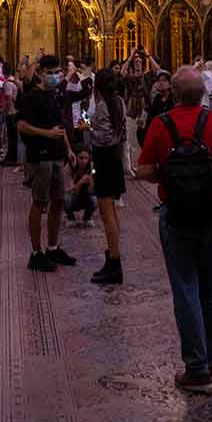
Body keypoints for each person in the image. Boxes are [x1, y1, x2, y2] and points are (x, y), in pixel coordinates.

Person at [137, 66, 212, 393]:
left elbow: (143, 170)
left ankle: (197, 370)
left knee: (185, 290)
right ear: (204, 93)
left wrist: (169, 178)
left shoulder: (161, 124)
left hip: (177, 216)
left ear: (172, 92)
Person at [17, 55, 77, 273]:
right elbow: (22, 126)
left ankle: (53, 247)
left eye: (57, 72)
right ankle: (36, 252)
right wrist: (46, 134)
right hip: (39, 157)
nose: (55, 76)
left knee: (59, 200)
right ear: (41, 73)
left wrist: (68, 149)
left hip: (57, 155)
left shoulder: (54, 95)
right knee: (40, 202)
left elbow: (59, 126)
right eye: (50, 72)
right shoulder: (31, 97)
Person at [90, 67, 127, 285]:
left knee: (107, 213)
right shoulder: (119, 102)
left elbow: (104, 138)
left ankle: (114, 262)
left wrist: (88, 128)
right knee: (111, 210)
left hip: (105, 160)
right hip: (114, 160)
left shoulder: (104, 105)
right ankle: (112, 254)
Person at [65, 148, 96, 227]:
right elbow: (67, 190)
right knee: (66, 198)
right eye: (81, 158)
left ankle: (87, 217)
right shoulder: (70, 167)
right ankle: (70, 217)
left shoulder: (92, 168)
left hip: (85, 196)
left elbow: (93, 191)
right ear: (76, 157)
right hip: (73, 196)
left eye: (86, 158)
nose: (83, 161)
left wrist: (91, 182)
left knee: (95, 199)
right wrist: (79, 183)